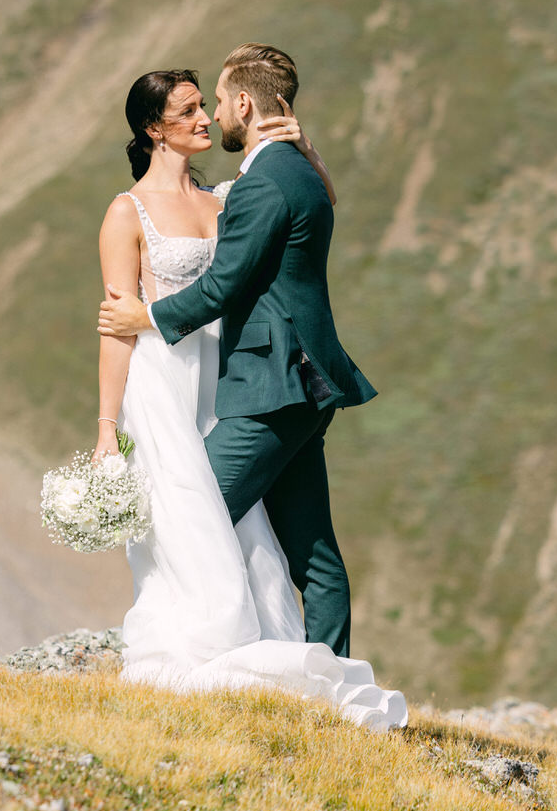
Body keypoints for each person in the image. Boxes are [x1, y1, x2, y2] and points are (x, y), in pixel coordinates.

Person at [93, 48, 405, 729]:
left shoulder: (240, 189)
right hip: (201, 385)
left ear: (240, 105)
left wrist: (306, 148)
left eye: (208, 103)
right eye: (187, 110)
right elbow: (113, 330)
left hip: (252, 383)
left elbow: (231, 277)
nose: (204, 116)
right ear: (154, 128)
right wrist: (104, 428)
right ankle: (327, 681)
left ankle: (211, 660)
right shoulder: (132, 211)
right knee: (308, 546)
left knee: (191, 523)